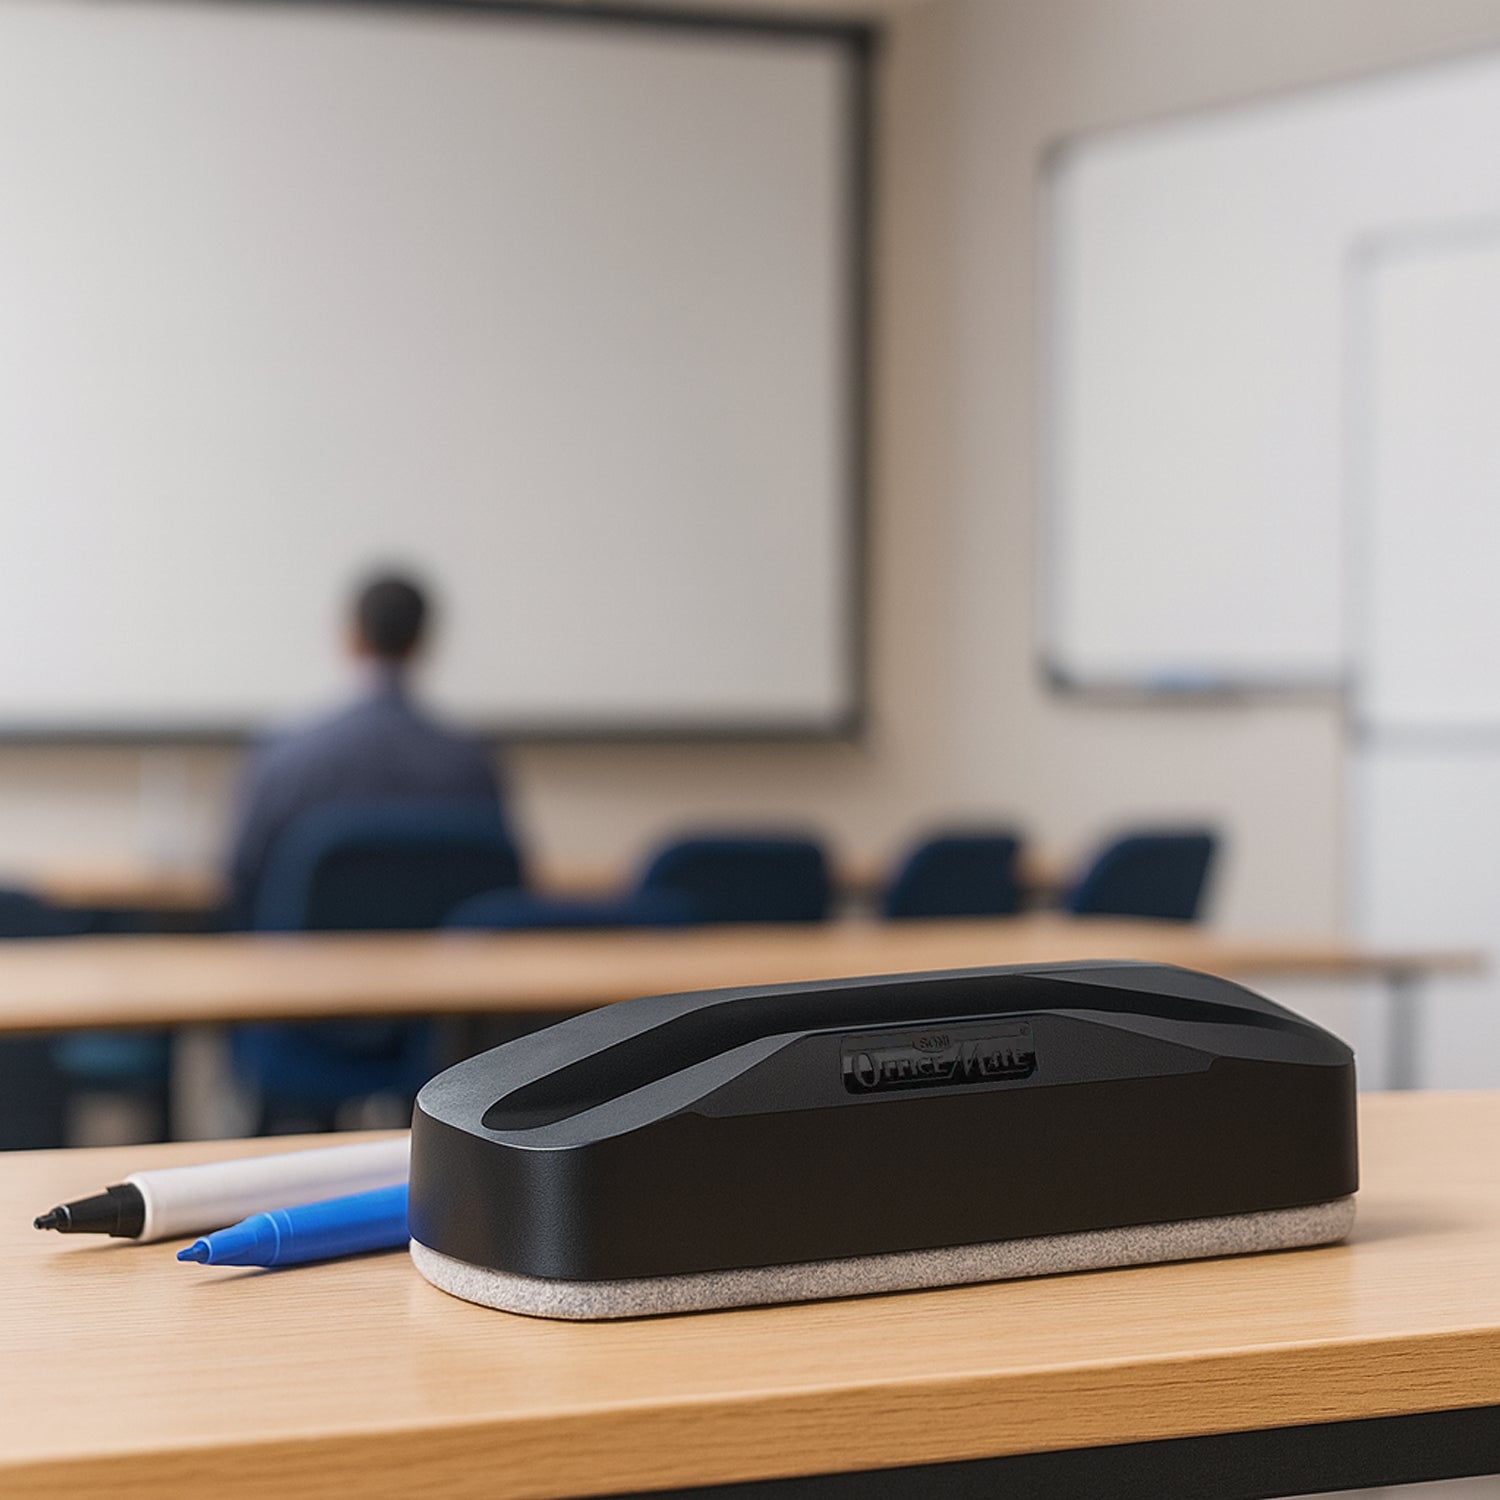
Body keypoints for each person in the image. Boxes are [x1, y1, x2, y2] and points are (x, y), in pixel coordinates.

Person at [223, 572, 505, 927]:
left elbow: (239, 883)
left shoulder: (284, 756)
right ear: (421, 643)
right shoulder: (473, 761)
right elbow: (507, 887)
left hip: (301, 976)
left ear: (351, 636)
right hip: (441, 978)